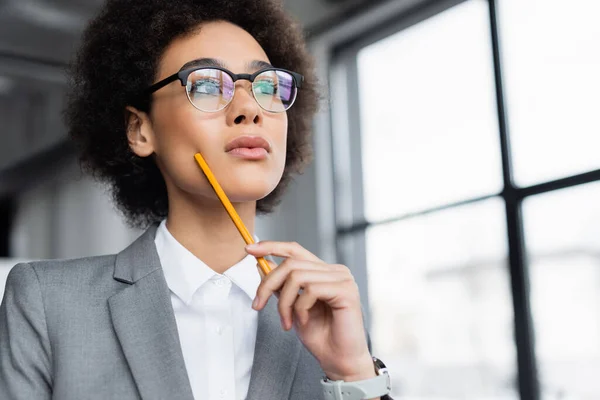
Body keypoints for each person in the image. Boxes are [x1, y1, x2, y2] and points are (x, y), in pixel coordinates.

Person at [0, 0, 392, 399]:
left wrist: (354, 373)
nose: (249, 109)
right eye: (206, 84)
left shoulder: (328, 311)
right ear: (140, 129)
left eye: (268, 86)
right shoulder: (48, 303)